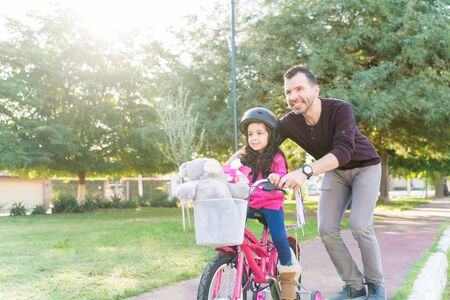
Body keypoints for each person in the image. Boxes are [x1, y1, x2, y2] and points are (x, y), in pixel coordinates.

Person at [269, 66, 385, 300]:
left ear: (315, 89)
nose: (293, 97)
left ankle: (376, 287)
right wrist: (226, 167)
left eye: (299, 89)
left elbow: (343, 151)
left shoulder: (340, 109)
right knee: (326, 229)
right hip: (336, 172)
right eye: (288, 92)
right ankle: (353, 286)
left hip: (366, 167)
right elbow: (261, 142)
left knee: (360, 226)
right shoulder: (290, 122)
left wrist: (305, 171)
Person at [224, 107, 300, 300]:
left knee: (280, 238)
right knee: (233, 222)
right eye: (250, 134)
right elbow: (230, 169)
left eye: (259, 133)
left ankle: (288, 277)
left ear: (270, 135)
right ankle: (238, 256)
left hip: (270, 202)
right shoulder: (245, 156)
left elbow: (281, 173)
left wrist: (276, 177)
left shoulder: (276, 156)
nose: (254, 138)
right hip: (250, 201)